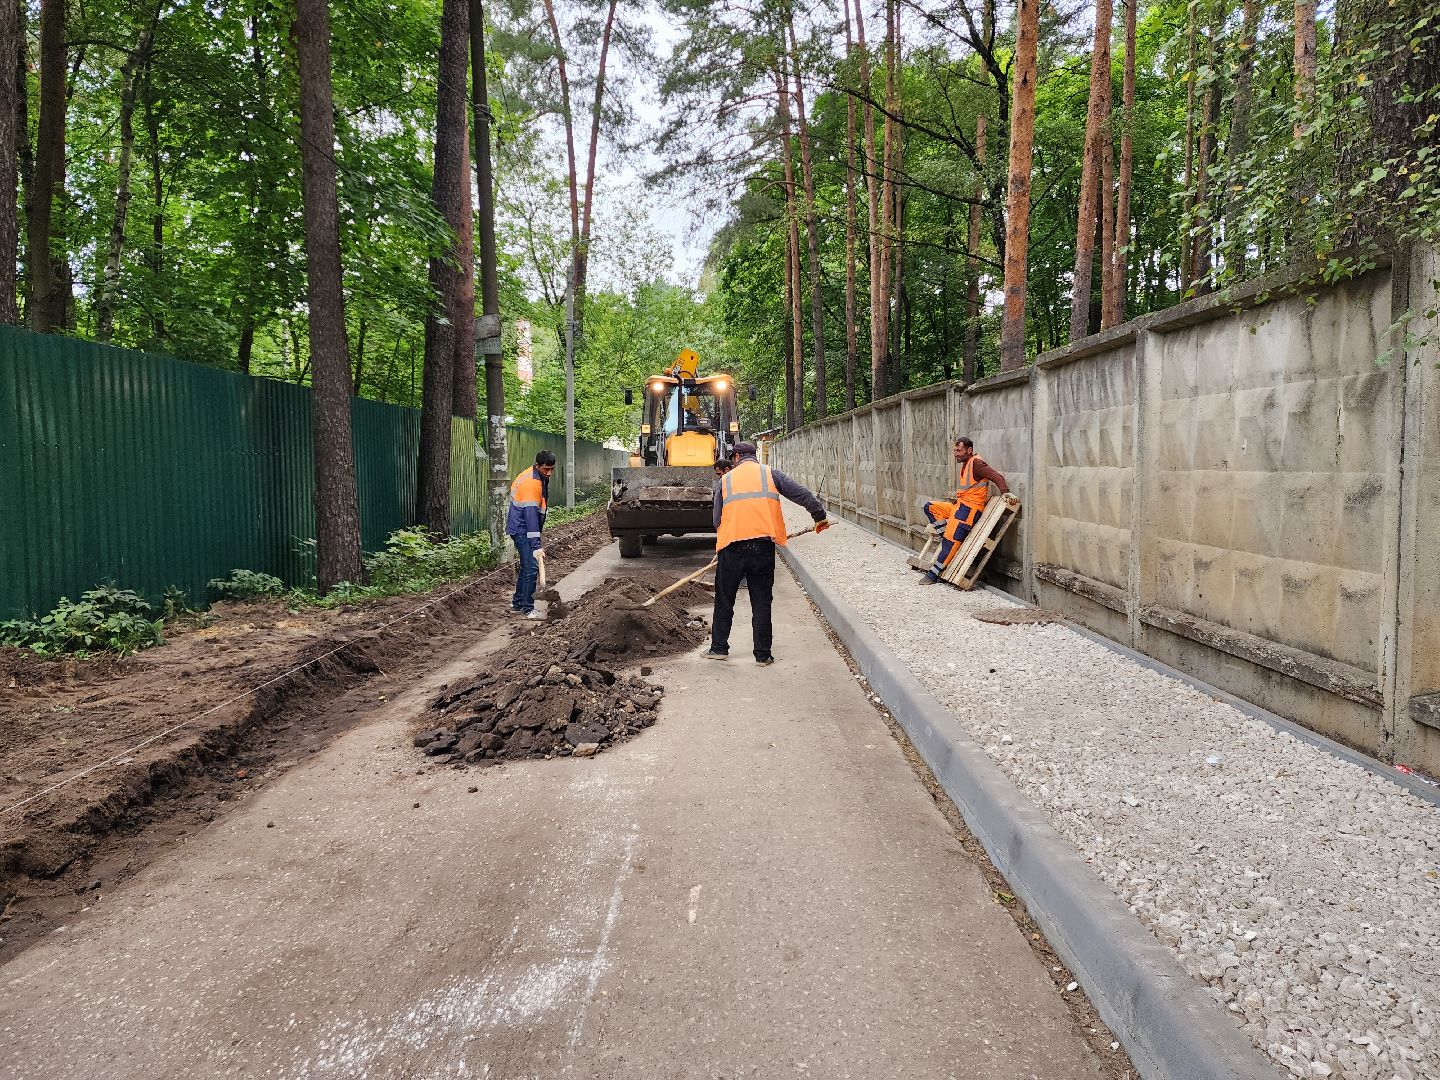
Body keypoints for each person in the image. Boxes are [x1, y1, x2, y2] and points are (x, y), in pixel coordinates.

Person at [703, 441, 830, 666]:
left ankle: (719, 648)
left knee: (725, 600)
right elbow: (802, 494)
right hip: (762, 548)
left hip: (732, 548)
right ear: (754, 456)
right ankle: (762, 655)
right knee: (761, 602)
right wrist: (819, 516)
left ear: (736, 457)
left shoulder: (725, 480)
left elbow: (716, 520)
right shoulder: (770, 474)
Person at [918, 436, 1009, 585]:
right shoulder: (967, 463)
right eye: (954, 450)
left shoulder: (977, 463)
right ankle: (947, 537)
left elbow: (995, 476)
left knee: (951, 541)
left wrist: (1005, 492)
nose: (956, 453)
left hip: (969, 511)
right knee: (930, 507)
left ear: (969, 450)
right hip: (960, 506)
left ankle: (933, 575)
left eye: (959, 450)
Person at [506, 450, 556, 617]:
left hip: (522, 527)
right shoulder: (531, 483)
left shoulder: (537, 476)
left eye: (551, 469)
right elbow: (531, 516)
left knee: (527, 566)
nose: (549, 473)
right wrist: (536, 545)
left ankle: (518, 602)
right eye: (545, 469)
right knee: (531, 568)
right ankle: (528, 608)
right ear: (537, 466)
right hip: (522, 529)